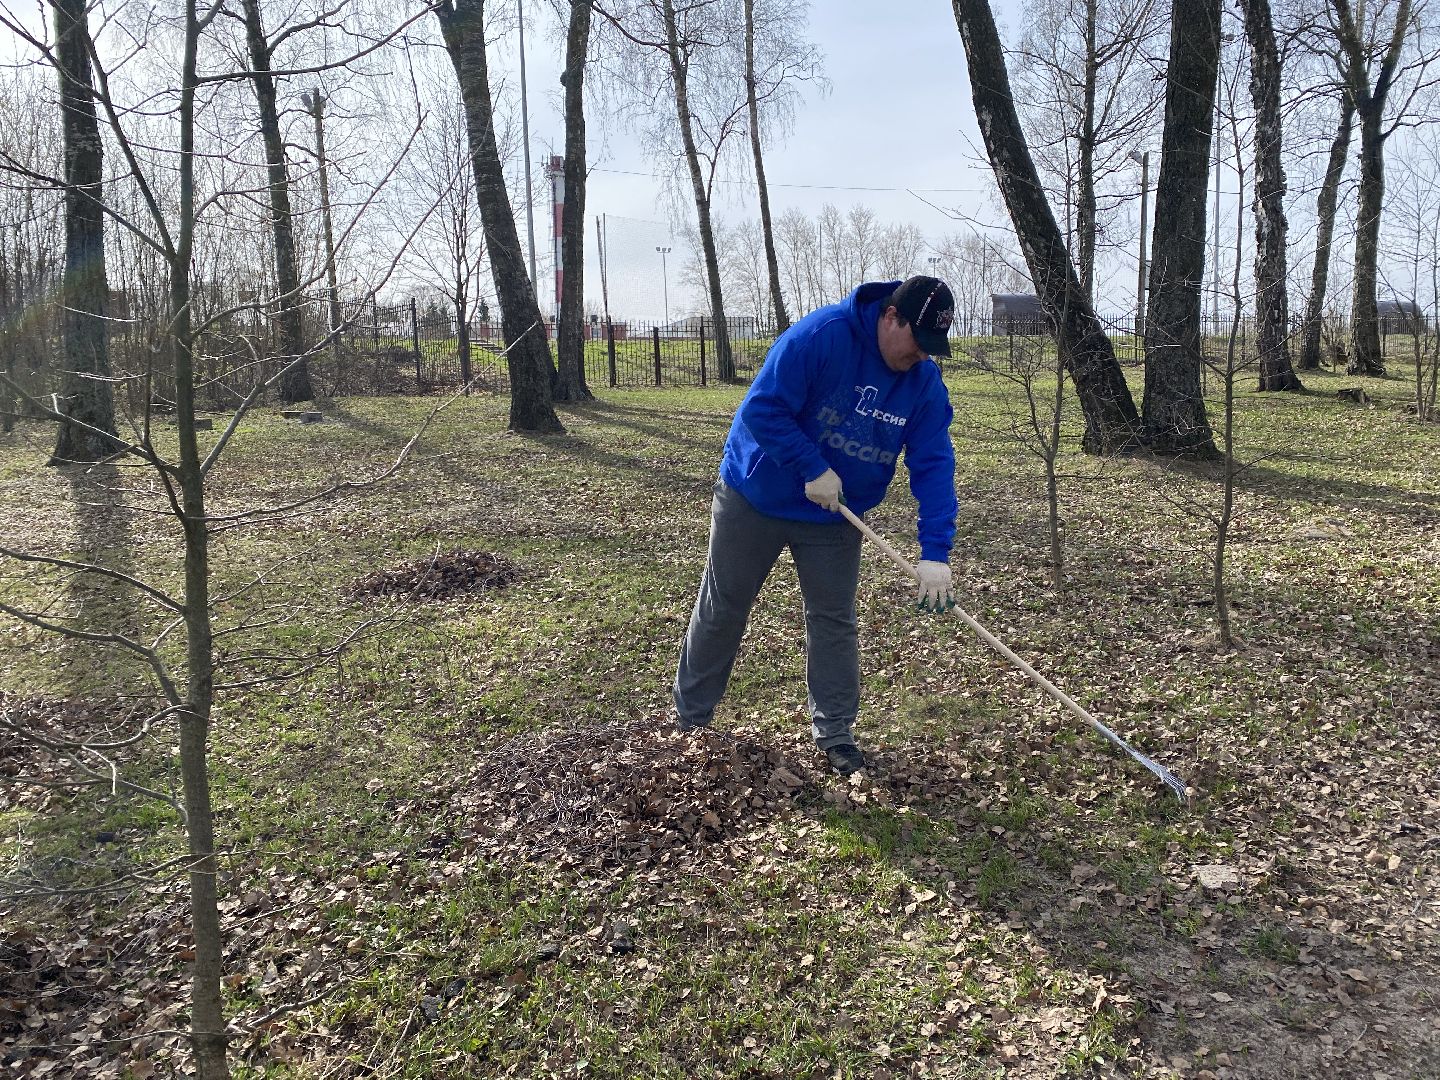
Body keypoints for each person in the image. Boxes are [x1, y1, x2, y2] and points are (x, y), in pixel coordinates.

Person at [672, 275, 960, 776]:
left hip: (835, 513)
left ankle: (836, 733)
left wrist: (935, 551)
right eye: (919, 341)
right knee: (724, 606)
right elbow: (762, 408)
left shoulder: (924, 384)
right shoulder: (821, 335)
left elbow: (934, 464)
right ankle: (689, 722)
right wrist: (811, 467)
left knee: (832, 619)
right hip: (756, 496)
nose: (922, 356)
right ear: (892, 317)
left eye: (933, 349)